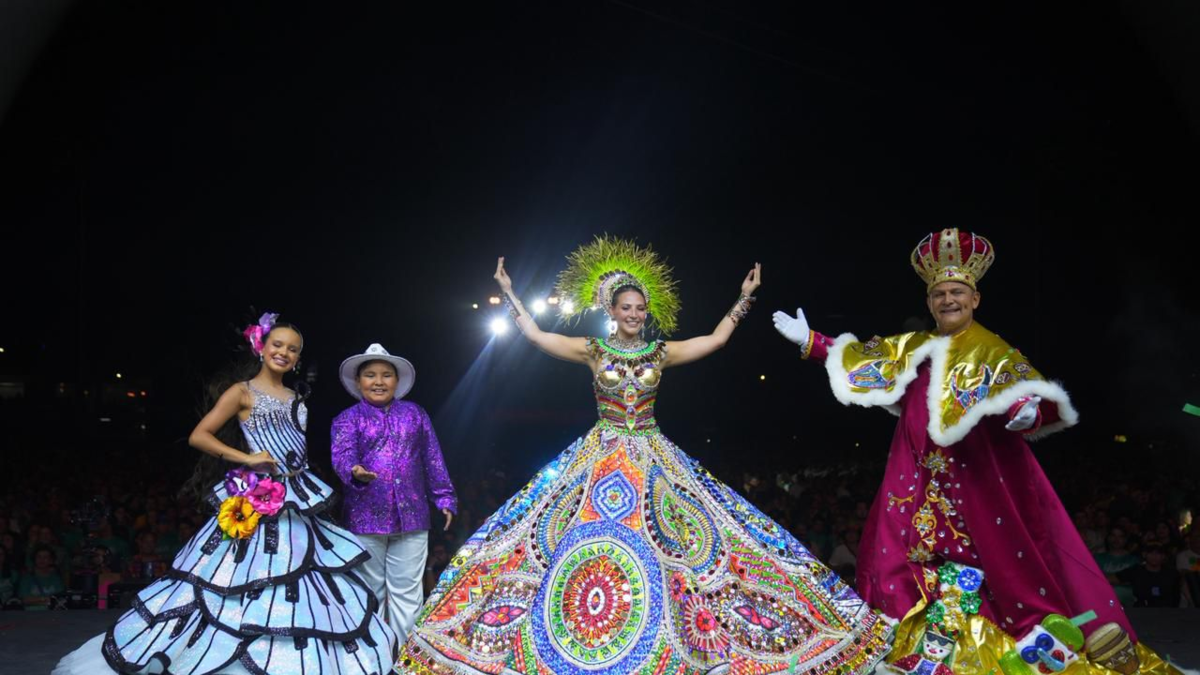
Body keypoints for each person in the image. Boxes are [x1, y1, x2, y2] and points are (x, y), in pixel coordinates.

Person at [396, 237, 891, 674]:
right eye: (625, 308)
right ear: (612, 311)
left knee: (679, 549)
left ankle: (668, 642)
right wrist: (508, 292)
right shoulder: (593, 350)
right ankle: (591, 636)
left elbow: (715, 340)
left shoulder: (659, 353)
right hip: (602, 452)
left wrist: (743, 299)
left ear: (645, 312)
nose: (633, 315)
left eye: (640, 309)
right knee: (575, 541)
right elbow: (537, 337)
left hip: (654, 457)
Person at [774, 229, 1178, 675]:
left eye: (957, 292)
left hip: (979, 481)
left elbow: (1029, 391)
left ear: (976, 298)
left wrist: (1030, 411)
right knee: (894, 561)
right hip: (917, 479)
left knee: (999, 569)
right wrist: (811, 341)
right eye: (940, 294)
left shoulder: (992, 349)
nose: (949, 300)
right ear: (930, 303)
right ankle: (910, 655)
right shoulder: (914, 347)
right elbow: (864, 361)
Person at [54, 313, 395, 675]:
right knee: (235, 580)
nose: (284, 352)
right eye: (277, 344)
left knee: (302, 579)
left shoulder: (297, 396)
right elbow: (199, 435)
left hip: (298, 498)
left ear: (297, 359)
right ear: (261, 347)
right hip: (259, 497)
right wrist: (247, 458)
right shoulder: (242, 391)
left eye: (292, 349)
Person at [332, 343, 457, 645]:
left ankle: (403, 662)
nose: (378, 381)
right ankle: (371, 660)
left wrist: (444, 497)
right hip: (365, 518)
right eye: (370, 375)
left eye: (386, 375)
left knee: (408, 595)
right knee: (369, 592)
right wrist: (354, 471)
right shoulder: (348, 418)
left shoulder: (415, 414)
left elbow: (432, 457)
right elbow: (342, 454)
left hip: (413, 516)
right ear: (358, 382)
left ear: (396, 381)